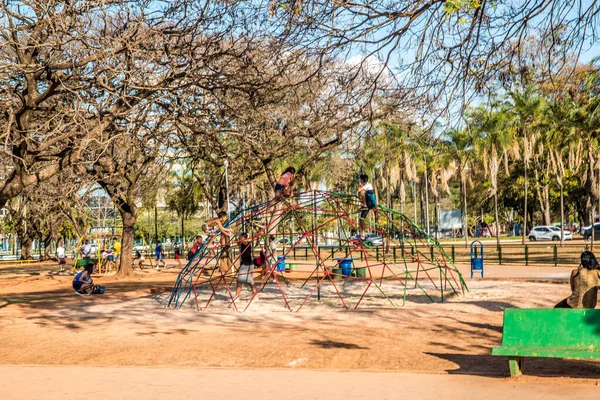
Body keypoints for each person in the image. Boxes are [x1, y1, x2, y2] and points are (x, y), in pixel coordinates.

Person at [232, 233, 258, 302]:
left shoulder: (247, 244)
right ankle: (255, 295)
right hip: (248, 264)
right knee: (250, 281)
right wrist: (235, 233)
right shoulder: (240, 244)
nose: (239, 239)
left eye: (241, 238)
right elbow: (236, 240)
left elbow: (245, 242)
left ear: (245, 238)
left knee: (239, 281)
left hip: (246, 265)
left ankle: (237, 296)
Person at [357, 174, 377, 238]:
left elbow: (359, 190)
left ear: (363, 180)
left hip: (370, 203)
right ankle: (363, 235)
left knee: (362, 192)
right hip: (369, 203)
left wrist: (360, 185)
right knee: (361, 219)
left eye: (360, 179)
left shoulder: (368, 185)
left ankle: (364, 205)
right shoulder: (365, 186)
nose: (359, 181)